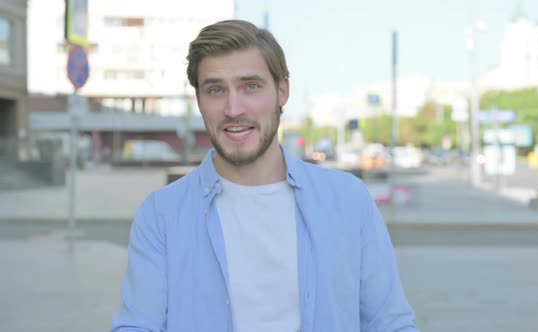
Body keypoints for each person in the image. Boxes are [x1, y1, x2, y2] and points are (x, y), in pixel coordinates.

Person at [111, 19, 418, 332]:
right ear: (200, 101)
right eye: (215, 90)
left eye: (251, 86)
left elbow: (389, 323)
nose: (233, 108)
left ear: (282, 91)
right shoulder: (162, 213)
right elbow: (137, 325)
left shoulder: (348, 199)